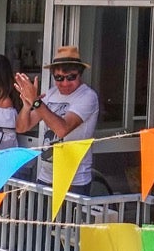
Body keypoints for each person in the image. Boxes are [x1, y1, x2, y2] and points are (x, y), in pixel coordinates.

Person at [15, 45, 100, 196]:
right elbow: (22, 127)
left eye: (71, 77)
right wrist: (27, 106)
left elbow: (62, 129)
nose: (65, 83)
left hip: (73, 181)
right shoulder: (51, 93)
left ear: (80, 74)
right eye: (59, 78)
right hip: (45, 177)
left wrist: (36, 102)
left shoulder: (88, 96)